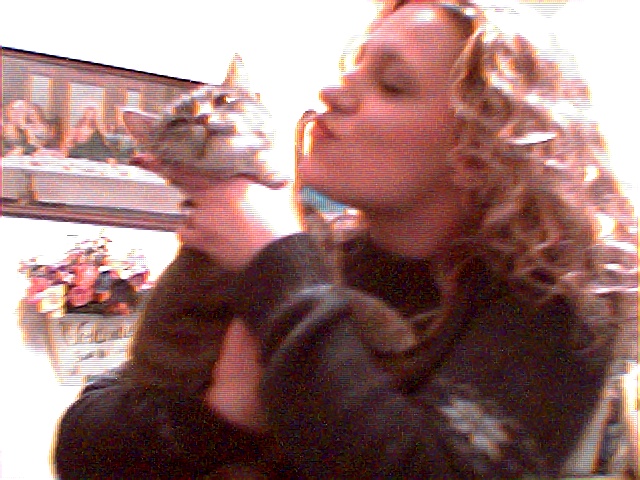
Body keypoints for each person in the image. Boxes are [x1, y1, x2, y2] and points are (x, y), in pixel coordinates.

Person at [53, 1, 638, 478]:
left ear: (483, 146)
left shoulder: (554, 305)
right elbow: (83, 442)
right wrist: (218, 418)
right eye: (353, 66)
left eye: (392, 83)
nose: (333, 91)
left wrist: (276, 261)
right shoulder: (318, 259)